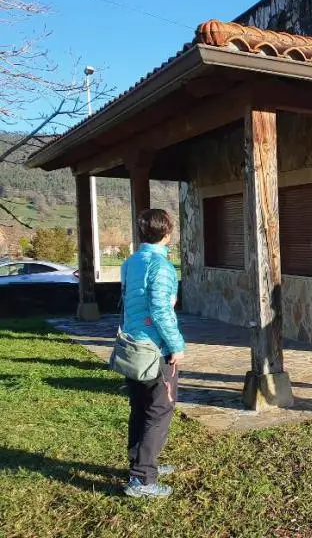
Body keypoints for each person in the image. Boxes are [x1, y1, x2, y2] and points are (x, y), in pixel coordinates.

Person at [120, 209, 185, 497]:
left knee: (141, 406)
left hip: (131, 344)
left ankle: (141, 462)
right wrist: (176, 346)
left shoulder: (131, 262)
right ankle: (143, 479)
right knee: (160, 409)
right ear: (168, 232)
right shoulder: (161, 266)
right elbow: (161, 310)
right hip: (154, 349)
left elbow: (127, 299)